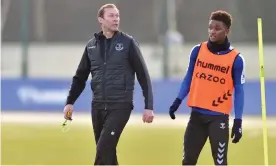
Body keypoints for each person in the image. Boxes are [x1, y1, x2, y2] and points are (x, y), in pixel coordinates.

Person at [63, 3, 154, 165]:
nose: (116, 19)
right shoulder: (91, 46)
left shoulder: (128, 43)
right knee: (108, 154)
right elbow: (80, 77)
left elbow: (143, 75)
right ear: (101, 20)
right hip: (97, 106)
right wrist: (70, 102)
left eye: (117, 15)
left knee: (102, 150)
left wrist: (149, 106)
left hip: (120, 105)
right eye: (111, 16)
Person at [169, 10, 245, 165]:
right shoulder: (197, 51)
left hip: (218, 119)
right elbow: (188, 78)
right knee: (188, 161)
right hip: (196, 117)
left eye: (217, 28)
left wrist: (238, 122)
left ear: (227, 31)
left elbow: (240, 91)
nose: (212, 31)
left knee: (220, 163)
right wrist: (177, 100)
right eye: (210, 27)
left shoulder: (236, 59)